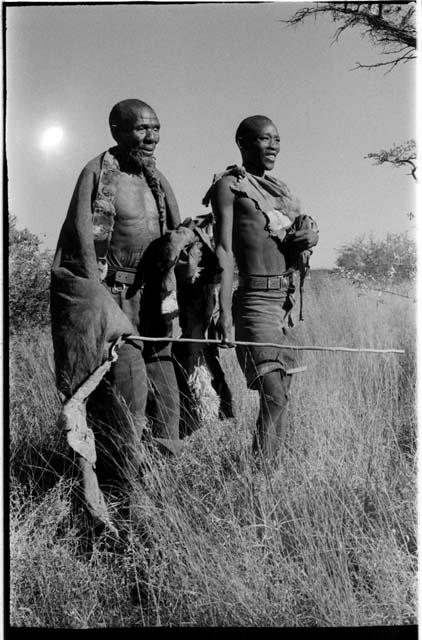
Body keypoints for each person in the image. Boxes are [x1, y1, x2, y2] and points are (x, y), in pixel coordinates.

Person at [51, 99, 183, 499]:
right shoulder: (96, 174)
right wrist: (103, 308)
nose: (151, 137)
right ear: (117, 131)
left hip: (153, 304)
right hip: (113, 304)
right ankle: (123, 499)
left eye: (156, 129)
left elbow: (175, 239)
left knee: (170, 403)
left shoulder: (157, 181)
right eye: (142, 129)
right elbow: (81, 249)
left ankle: (161, 492)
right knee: (130, 404)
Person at [204, 115, 319, 463]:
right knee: (274, 396)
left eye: (278, 140)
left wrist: (309, 237)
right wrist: (224, 314)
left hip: (286, 303)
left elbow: (287, 241)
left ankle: (267, 475)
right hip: (254, 301)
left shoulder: (280, 191)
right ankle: (261, 478)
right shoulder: (229, 186)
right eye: (265, 139)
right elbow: (223, 251)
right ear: (242, 142)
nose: (273, 147)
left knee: (282, 394)